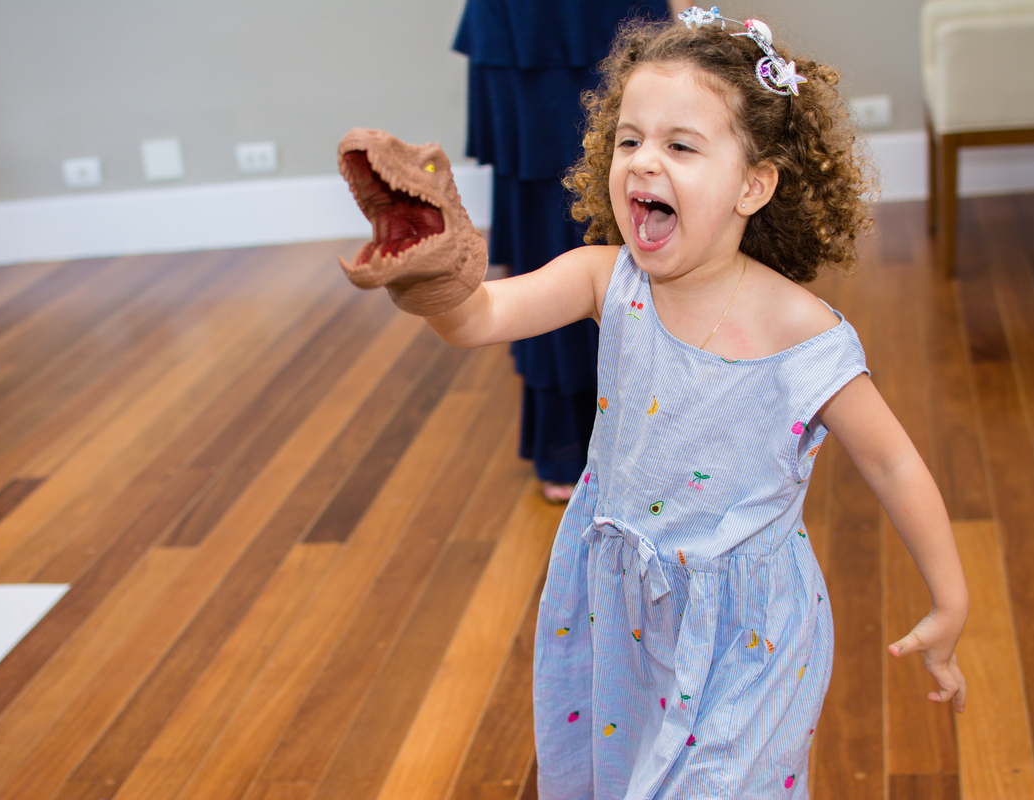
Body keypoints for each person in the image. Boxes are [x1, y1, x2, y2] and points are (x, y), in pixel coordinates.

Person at [346, 8, 968, 797]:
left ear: (754, 184)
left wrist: (951, 599)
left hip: (751, 634)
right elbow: (478, 318)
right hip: (623, 608)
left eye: (680, 145)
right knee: (629, 774)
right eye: (629, 138)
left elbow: (893, 462)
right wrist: (436, 266)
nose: (643, 161)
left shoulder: (802, 335)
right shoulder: (606, 279)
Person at [453, 0, 691, 503]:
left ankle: (666, 429)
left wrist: (692, 20)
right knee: (551, 214)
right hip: (527, 28)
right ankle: (566, 438)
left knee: (653, 200)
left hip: (617, 14)